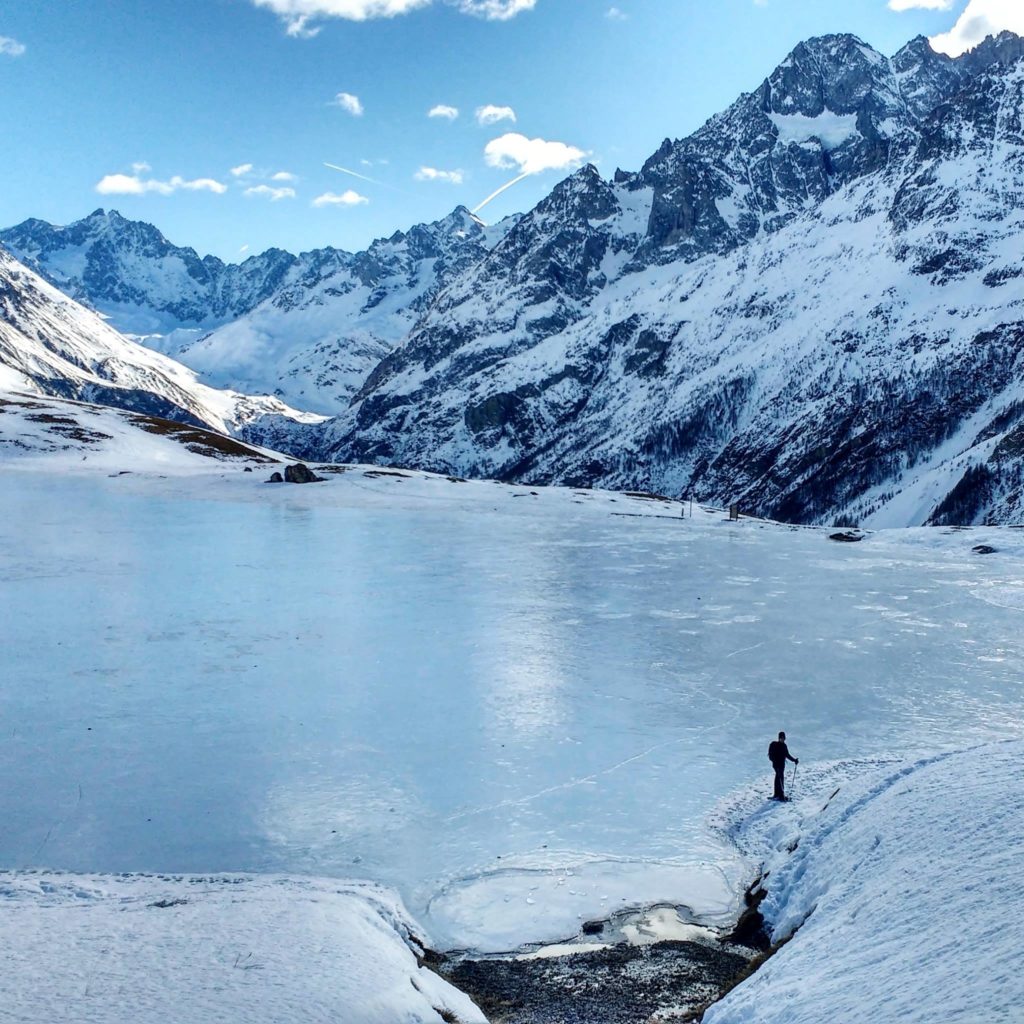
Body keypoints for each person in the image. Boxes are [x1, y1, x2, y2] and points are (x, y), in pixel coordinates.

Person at [768, 731, 798, 801]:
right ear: (779, 738)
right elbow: (771, 756)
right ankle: (780, 795)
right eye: (781, 738)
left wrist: (794, 760)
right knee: (780, 777)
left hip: (782, 765)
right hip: (776, 765)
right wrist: (774, 762)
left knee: (779, 778)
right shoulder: (774, 745)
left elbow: (787, 755)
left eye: (783, 738)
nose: (782, 739)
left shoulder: (784, 746)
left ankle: (778, 794)